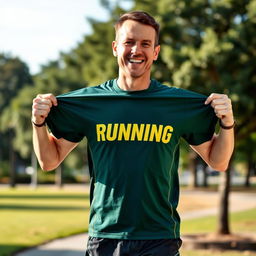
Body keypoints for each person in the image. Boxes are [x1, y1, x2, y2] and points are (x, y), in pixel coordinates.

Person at [32, 11, 234, 256]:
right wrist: (38, 124)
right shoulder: (90, 103)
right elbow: (49, 161)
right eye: (129, 42)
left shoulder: (177, 104)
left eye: (145, 44)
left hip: (159, 237)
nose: (136, 50)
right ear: (115, 48)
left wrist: (227, 124)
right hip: (105, 235)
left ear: (156, 52)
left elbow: (218, 161)